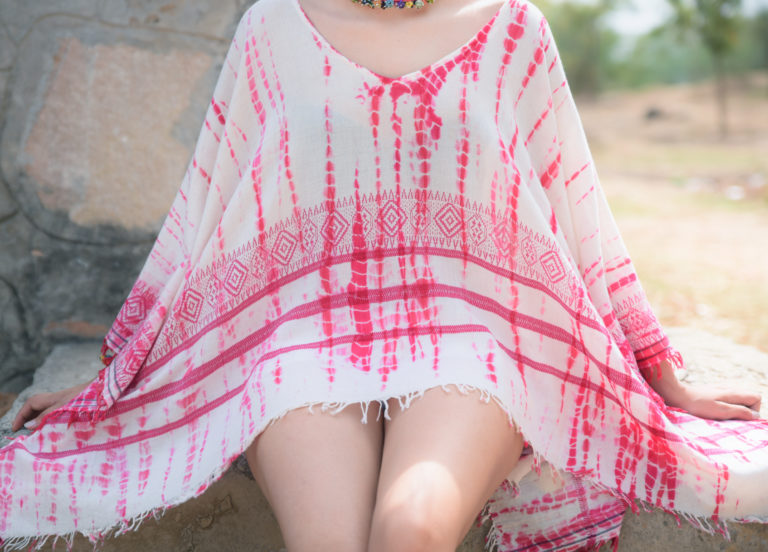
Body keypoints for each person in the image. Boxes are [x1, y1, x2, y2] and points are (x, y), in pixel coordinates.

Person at [3, 0, 767, 551]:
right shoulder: (273, 26)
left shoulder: (514, 28)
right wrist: (117, 377)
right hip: (302, 344)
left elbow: (581, 218)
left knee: (411, 529)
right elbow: (201, 219)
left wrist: (663, 378)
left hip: (474, 344)